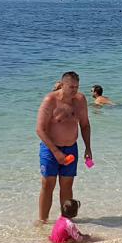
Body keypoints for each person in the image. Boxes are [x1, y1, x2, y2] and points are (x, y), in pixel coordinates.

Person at [35, 71, 93, 225]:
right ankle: (43, 221)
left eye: (77, 87)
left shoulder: (80, 100)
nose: (74, 90)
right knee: (48, 184)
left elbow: (85, 125)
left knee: (67, 185)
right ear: (62, 85)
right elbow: (39, 130)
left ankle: (66, 221)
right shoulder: (50, 100)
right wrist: (56, 152)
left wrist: (88, 148)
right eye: (71, 87)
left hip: (71, 149)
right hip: (50, 149)